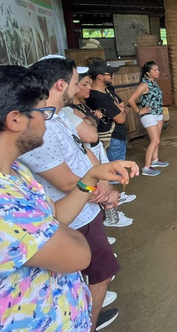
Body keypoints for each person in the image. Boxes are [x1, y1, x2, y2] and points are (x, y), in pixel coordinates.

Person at [0, 65, 137, 332]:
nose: (47, 119)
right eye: (40, 111)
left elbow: (55, 215)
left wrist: (90, 178)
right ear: (15, 120)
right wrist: (57, 227)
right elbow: (78, 255)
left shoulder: (8, 170)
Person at [17, 56, 130, 332]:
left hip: (86, 208)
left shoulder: (58, 117)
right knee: (97, 273)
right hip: (74, 216)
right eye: (76, 80)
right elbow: (68, 183)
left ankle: (86, 322)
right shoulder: (39, 128)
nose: (83, 86)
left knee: (93, 275)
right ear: (60, 84)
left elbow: (86, 150)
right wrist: (100, 189)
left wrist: (102, 181)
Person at [67, 71, 135, 228]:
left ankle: (112, 212)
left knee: (106, 179)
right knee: (99, 187)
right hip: (91, 148)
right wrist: (92, 118)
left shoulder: (81, 105)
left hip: (94, 150)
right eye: (84, 84)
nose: (89, 88)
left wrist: (89, 119)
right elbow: (90, 135)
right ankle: (110, 217)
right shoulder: (68, 110)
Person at [128, 61, 169, 177]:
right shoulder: (144, 85)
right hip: (149, 115)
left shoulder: (154, 83)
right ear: (147, 73)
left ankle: (155, 160)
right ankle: (146, 167)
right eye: (155, 70)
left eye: (158, 69)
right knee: (155, 140)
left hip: (158, 114)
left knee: (157, 139)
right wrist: (139, 111)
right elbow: (131, 100)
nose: (158, 72)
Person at [86, 60, 129, 164]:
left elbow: (124, 106)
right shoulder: (97, 97)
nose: (112, 76)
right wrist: (122, 110)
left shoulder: (108, 90)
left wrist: (122, 109)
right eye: (110, 74)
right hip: (112, 139)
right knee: (115, 172)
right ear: (100, 76)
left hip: (118, 137)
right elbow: (121, 119)